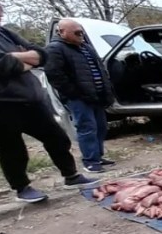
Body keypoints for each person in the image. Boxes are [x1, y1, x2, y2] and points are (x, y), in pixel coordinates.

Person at [0, 0, 95, 203]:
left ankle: (70, 175)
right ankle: (22, 187)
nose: (0, 13)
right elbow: (0, 64)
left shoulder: (3, 32)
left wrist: (18, 60)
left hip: (29, 97)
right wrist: (19, 62)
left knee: (56, 137)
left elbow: (42, 54)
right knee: (11, 147)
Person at [44, 19, 116, 173]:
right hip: (79, 98)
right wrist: (74, 93)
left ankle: (97, 156)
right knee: (86, 127)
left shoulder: (85, 47)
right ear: (62, 32)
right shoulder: (55, 49)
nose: (81, 35)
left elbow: (100, 70)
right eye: (76, 32)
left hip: (96, 95)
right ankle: (90, 161)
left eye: (81, 32)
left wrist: (106, 91)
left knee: (101, 127)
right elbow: (55, 75)